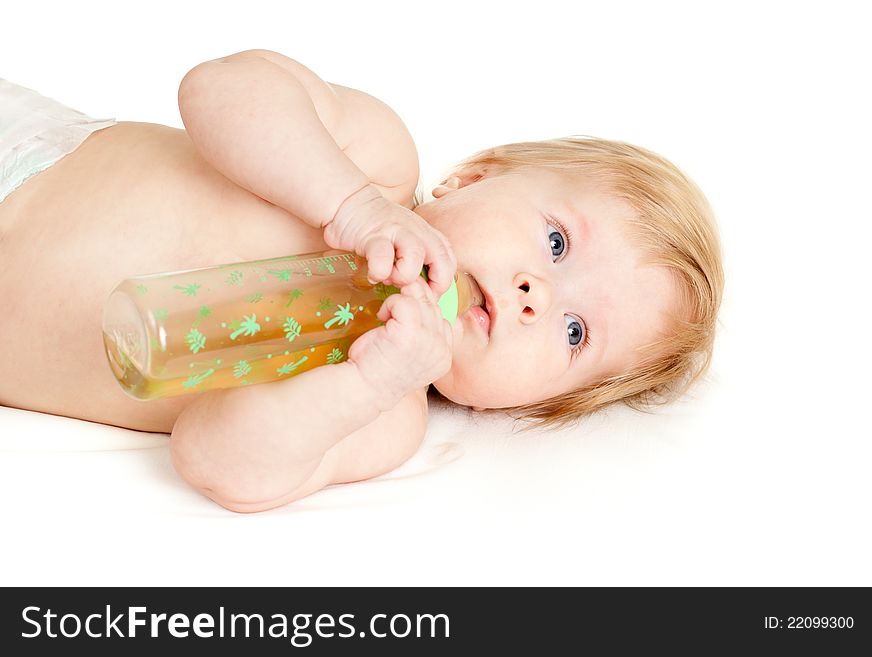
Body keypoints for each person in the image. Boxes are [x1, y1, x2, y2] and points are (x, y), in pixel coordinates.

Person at [0, 50, 723, 512]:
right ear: (473, 177)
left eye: (575, 333)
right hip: (26, 155)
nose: (539, 297)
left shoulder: (383, 417)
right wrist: (352, 204)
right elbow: (219, 86)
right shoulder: (376, 161)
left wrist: (367, 381)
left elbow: (216, 460)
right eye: (557, 241)